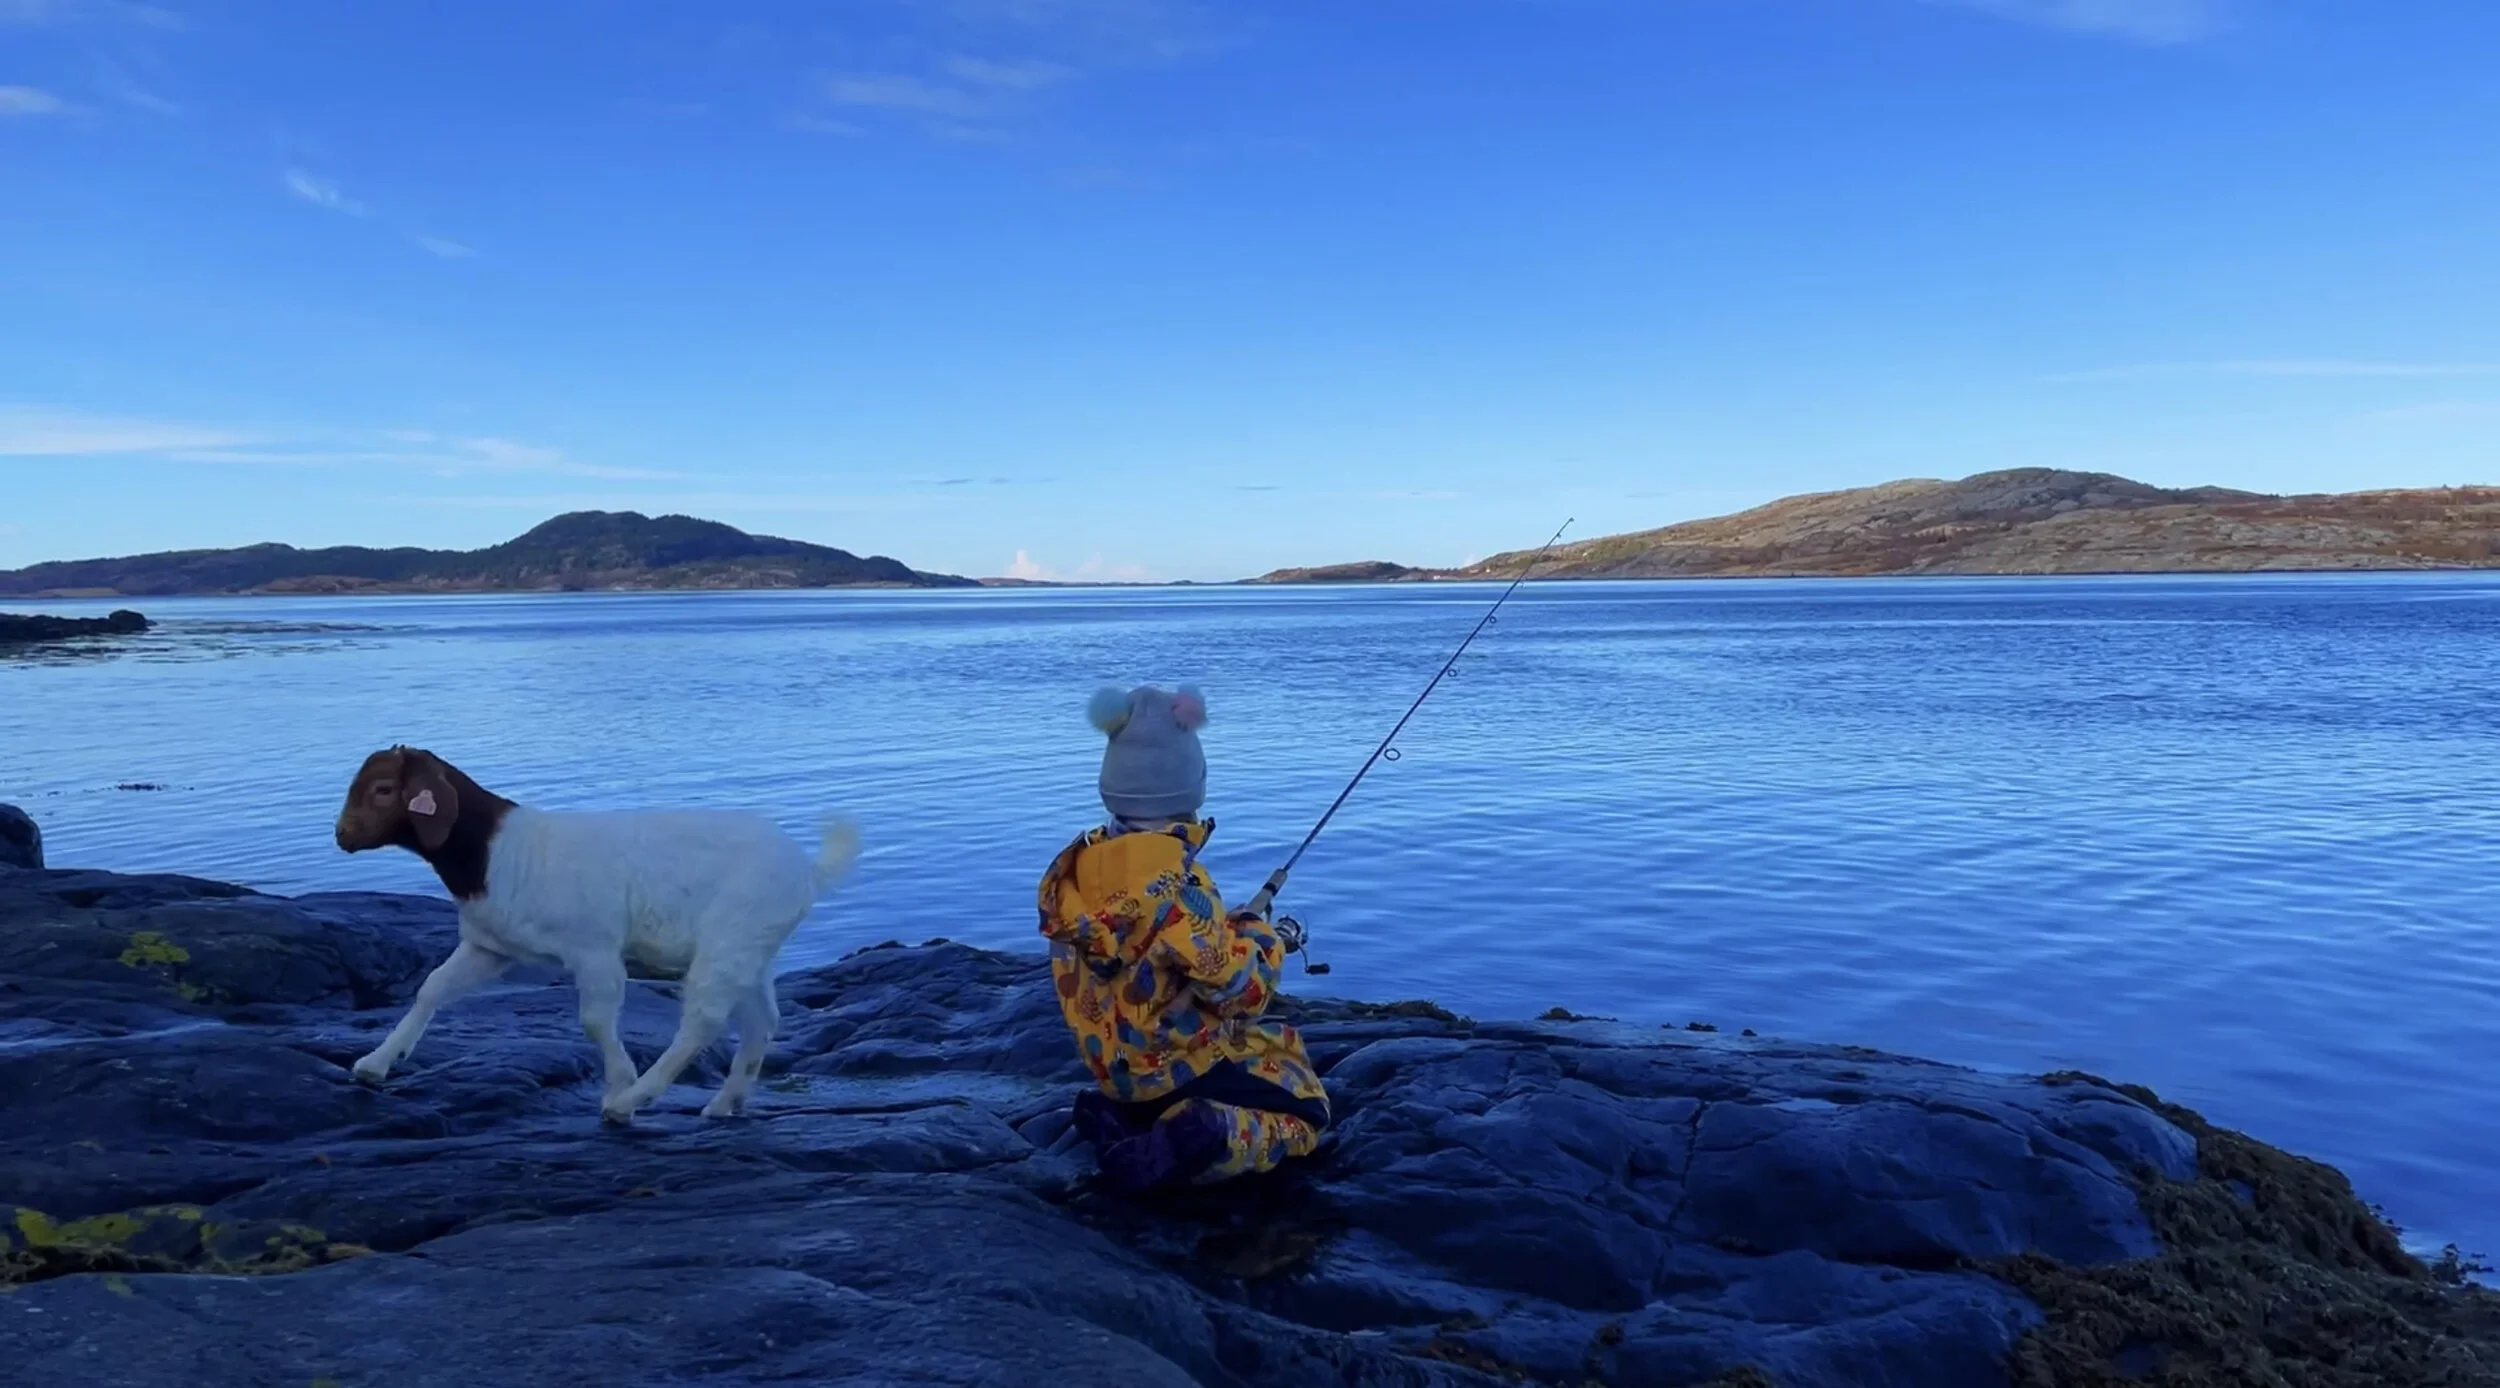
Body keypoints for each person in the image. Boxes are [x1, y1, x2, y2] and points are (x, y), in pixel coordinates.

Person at [1036, 684, 1331, 1195]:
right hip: (1178, 1068)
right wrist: (1265, 938)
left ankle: (1122, 1120)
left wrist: (1227, 928)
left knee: (1169, 1087)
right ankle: (1205, 1136)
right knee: (1306, 1111)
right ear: (1191, 790)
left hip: (1115, 1070)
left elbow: (1157, 946)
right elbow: (1240, 991)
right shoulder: (1177, 888)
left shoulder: (1076, 874)